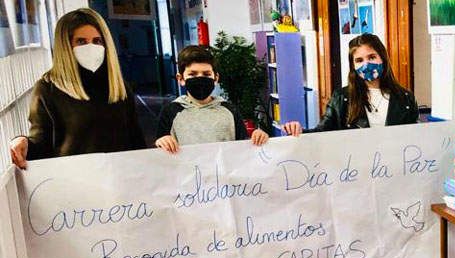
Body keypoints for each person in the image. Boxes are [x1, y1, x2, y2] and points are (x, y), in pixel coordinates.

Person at [8, 8, 145, 169]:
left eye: (97, 41)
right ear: (65, 46)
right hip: (75, 184)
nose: (91, 47)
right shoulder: (48, 89)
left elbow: (136, 142)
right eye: (81, 41)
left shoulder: (119, 87)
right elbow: (41, 145)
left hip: (120, 181)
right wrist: (23, 143)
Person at [154, 46, 301, 154]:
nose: (200, 78)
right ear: (181, 79)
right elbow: (159, 150)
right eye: (192, 74)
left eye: (206, 74)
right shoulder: (171, 111)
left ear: (216, 78)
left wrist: (257, 137)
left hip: (225, 183)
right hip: (187, 183)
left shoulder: (228, 109)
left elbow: (243, 144)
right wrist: (161, 142)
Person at [310, 34, 418, 131]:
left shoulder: (406, 98)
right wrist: (296, 130)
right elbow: (321, 132)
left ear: (383, 58)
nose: (366, 64)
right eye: (359, 60)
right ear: (353, 66)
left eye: (371, 57)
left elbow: (416, 136)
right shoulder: (340, 98)